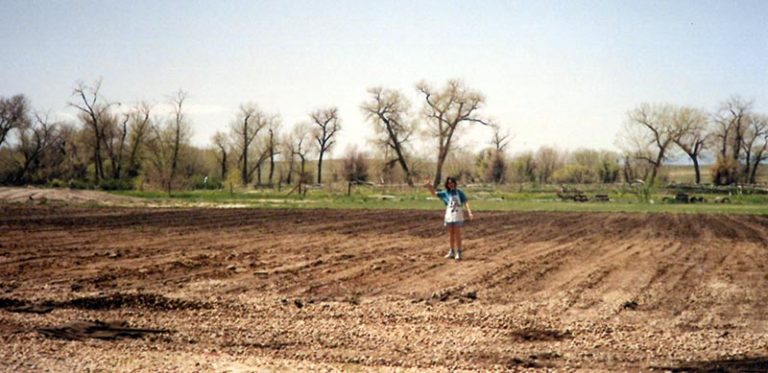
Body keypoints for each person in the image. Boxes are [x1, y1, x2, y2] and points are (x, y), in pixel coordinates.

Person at [424, 176, 474, 260]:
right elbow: (434, 193)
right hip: (449, 216)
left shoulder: (459, 192)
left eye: (452, 182)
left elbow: (465, 202)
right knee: (451, 234)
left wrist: (469, 212)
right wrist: (429, 186)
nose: (451, 184)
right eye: (449, 183)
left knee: (457, 234)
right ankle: (452, 251)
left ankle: (459, 252)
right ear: (447, 184)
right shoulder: (445, 193)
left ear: (454, 183)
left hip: (457, 216)